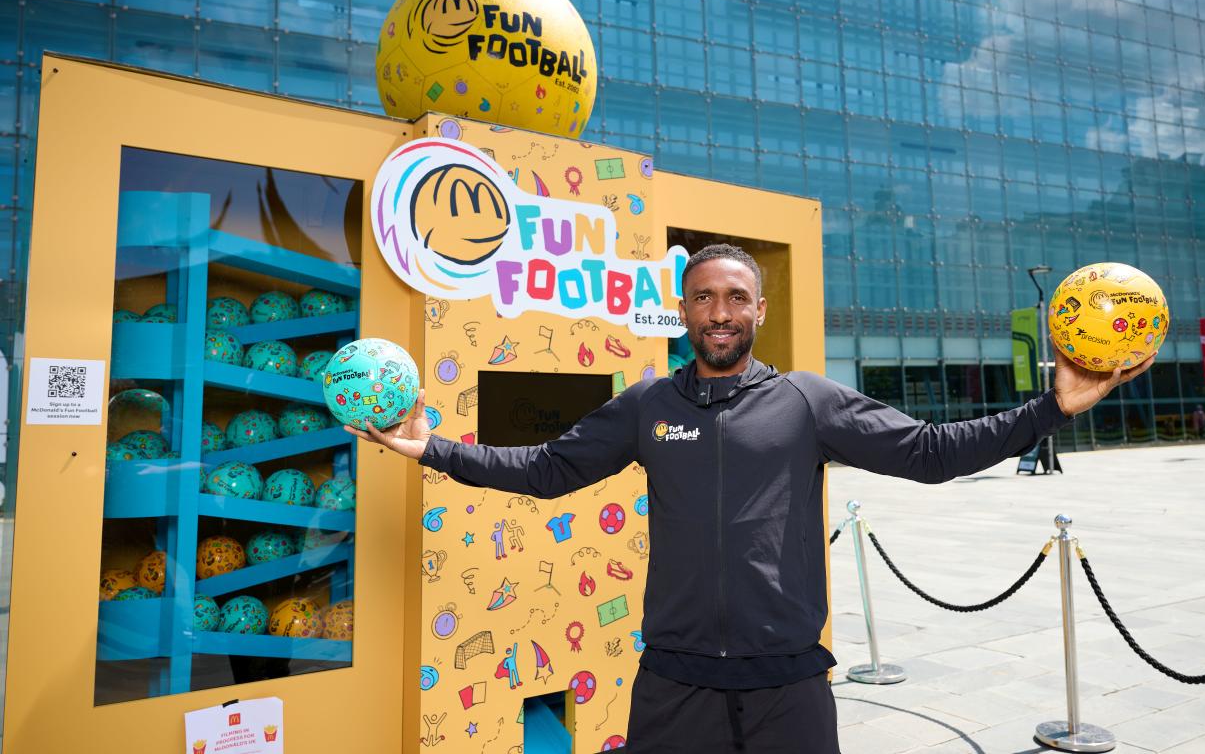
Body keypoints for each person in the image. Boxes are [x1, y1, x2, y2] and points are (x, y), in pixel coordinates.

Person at [349, 244, 1154, 753]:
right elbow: (549, 468)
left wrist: (1052, 409)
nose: (721, 312)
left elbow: (931, 453)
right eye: (705, 297)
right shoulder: (646, 406)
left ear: (759, 309)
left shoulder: (810, 402)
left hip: (788, 686)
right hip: (675, 683)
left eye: (737, 297)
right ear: (685, 312)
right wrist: (437, 449)